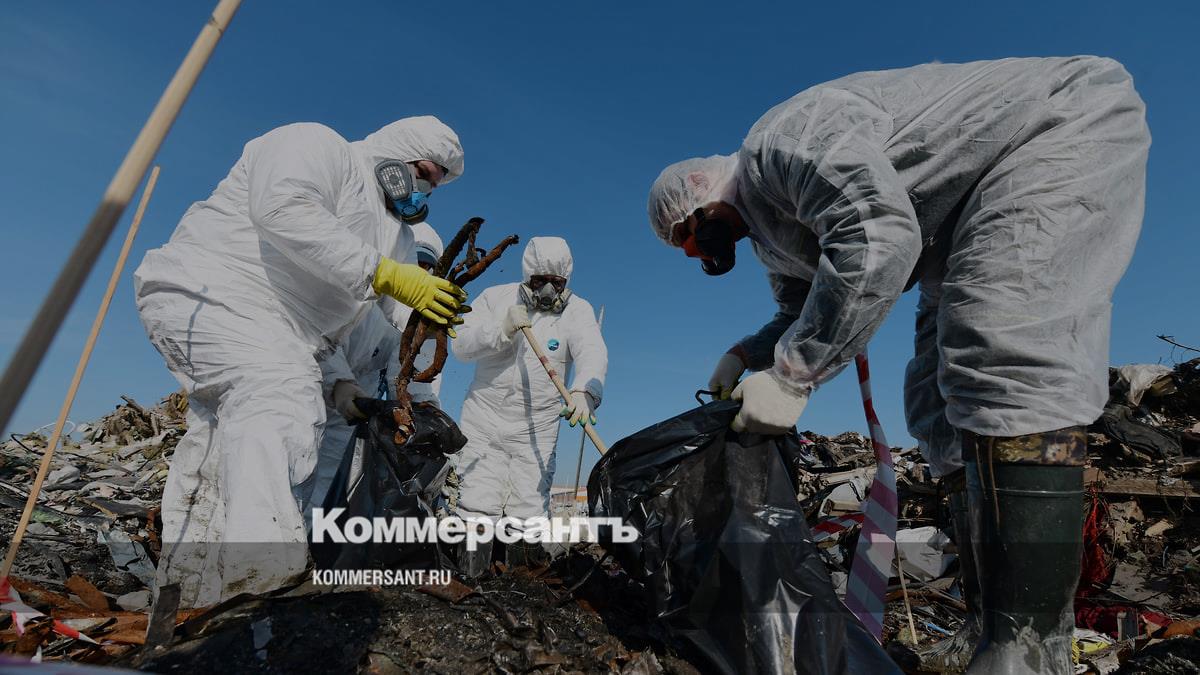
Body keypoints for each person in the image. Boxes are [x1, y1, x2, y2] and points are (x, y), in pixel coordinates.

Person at [646, 56, 1149, 674]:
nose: (696, 252)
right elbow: (804, 310)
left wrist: (793, 377)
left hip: (1046, 134)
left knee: (1003, 350)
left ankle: (1029, 645)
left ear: (699, 195)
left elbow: (877, 235)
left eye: (688, 236)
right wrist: (747, 354)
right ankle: (985, 625)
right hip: (953, 226)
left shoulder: (781, 148)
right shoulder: (771, 240)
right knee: (937, 401)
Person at [134, 117, 468, 607]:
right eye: (424, 173)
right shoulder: (321, 146)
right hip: (218, 286)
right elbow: (281, 208)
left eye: (435, 185)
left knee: (218, 446)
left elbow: (359, 326)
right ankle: (260, 578)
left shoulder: (395, 237)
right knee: (279, 398)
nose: (424, 189)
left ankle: (190, 591)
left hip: (279, 329)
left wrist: (355, 374)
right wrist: (383, 273)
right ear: (396, 153)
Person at [451, 237, 607, 569]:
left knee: (528, 507)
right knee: (477, 499)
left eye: (557, 282)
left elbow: (592, 352)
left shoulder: (577, 311)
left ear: (566, 280)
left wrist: (585, 392)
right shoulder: (495, 298)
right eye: (540, 281)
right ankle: (471, 574)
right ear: (527, 276)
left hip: (537, 427)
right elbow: (460, 345)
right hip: (484, 419)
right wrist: (501, 328)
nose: (548, 290)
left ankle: (518, 584)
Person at [306, 221, 446, 519]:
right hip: (312, 387)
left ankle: (311, 540)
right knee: (294, 464)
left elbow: (407, 371)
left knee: (331, 483)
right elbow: (315, 335)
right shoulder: (355, 293)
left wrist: (425, 411)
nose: (421, 273)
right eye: (415, 263)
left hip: (357, 404)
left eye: (428, 267)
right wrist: (338, 381)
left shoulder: (410, 319)